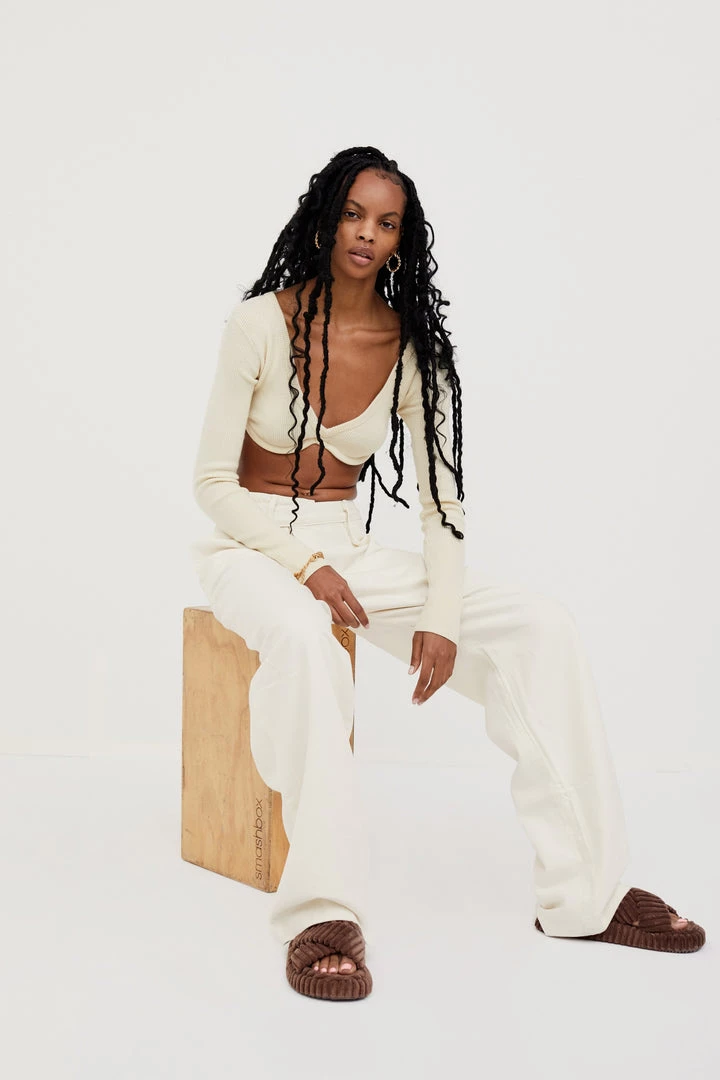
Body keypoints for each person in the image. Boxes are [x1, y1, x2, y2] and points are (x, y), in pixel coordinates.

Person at [188, 146, 705, 1002]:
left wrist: (445, 613)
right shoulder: (259, 325)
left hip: (346, 547)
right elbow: (212, 485)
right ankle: (321, 912)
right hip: (249, 548)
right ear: (325, 220)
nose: (367, 233)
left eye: (386, 223)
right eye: (353, 214)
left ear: (403, 240)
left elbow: (442, 502)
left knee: (541, 626)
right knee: (306, 639)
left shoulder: (409, 347)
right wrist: (304, 565)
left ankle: (585, 893)